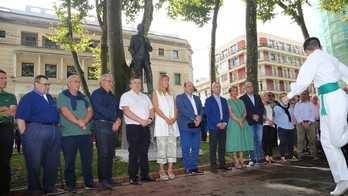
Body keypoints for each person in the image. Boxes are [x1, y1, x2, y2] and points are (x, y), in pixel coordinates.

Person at [282, 37, 348, 196]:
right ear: (320, 46)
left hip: (333, 98)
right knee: (326, 141)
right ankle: (343, 179)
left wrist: (289, 95)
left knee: (338, 140)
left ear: (307, 51)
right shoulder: (331, 58)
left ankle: (343, 178)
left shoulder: (314, 58)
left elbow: (303, 80)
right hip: (328, 101)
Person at [16, 75, 63, 195]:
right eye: (45, 84)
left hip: (53, 131)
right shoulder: (28, 98)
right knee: (34, 162)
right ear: (36, 84)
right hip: (36, 130)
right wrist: (25, 136)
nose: (47, 87)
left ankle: (49, 187)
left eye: (48, 84)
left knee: (52, 162)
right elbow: (20, 118)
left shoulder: (49, 98)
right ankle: (34, 189)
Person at [57, 75, 97, 193]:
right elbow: (64, 111)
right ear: (69, 83)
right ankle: (71, 185)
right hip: (69, 134)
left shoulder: (84, 97)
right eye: (75, 82)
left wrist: (84, 121)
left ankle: (89, 183)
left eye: (79, 82)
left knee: (87, 160)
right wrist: (78, 122)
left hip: (85, 133)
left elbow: (91, 111)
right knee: (69, 161)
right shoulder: (62, 96)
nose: (78, 84)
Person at [120, 77, 155, 185]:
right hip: (133, 127)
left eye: (139, 83)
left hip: (145, 128)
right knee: (134, 152)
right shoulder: (126, 96)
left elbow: (151, 110)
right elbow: (126, 111)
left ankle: (144, 175)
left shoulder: (145, 97)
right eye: (135, 83)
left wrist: (149, 119)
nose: (137, 84)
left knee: (144, 152)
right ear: (130, 85)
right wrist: (141, 121)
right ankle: (132, 176)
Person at [90, 74, 122, 189]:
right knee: (103, 153)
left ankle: (109, 178)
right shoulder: (96, 94)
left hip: (113, 126)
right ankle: (102, 180)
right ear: (101, 82)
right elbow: (100, 109)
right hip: (101, 125)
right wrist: (115, 119)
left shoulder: (112, 96)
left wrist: (118, 120)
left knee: (110, 153)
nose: (110, 83)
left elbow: (118, 109)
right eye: (108, 81)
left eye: (111, 81)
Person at [152, 75, 180, 181]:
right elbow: (156, 108)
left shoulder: (171, 93)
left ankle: (170, 169)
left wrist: (173, 118)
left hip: (172, 124)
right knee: (162, 147)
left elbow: (174, 107)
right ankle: (162, 170)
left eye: (168, 80)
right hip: (162, 124)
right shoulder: (156, 93)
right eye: (165, 80)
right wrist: (166, 119)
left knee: (172, 146)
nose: (167, 82)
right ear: (161, 81)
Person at [176, 81, 204, 175]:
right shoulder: (180, 97)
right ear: (184, 88)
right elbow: (182, 110)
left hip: (197, 126)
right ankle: (188, 167)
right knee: (186, 148)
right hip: (185, 127)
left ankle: (194, 167)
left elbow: (201, 109)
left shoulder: (197, 98)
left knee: (196, 147)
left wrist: (199, 117)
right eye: (188, 86)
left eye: (192, 86)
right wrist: (195, 117)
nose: (191, 87)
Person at [204, 82, 231, 173]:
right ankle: (213, 166)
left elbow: (227, 113)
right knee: (213, 146)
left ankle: (223, 164)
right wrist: (217, 123)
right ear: (212, 89)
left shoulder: (224, 100)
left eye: (219, 87)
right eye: (216, 87)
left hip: (223, 125)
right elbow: (208, 114)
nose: (218, 88)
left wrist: (225, 123)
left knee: (222, 146)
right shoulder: (209, 100)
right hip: (214, 126)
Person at [226, 86, 254, 169]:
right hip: (233, 123)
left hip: (243, 122)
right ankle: (236, 161)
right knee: (235, 141)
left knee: (242, 141)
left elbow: (245, 112)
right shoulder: (228, 101)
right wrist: (239, 121)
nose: (235, 92)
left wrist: (242, 119)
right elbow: (230, 113)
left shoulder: (241, 101)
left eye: (236, 90)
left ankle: (242, 160)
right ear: (230, 92)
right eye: (233, 91)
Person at [0, 69, 17, 195]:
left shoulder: (10, 96)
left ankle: (4, 189)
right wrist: (4, 109)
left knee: (5, 161)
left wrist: (6, 109)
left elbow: (12, 112)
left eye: (5, 78)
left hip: (6, 128)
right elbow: (7, 111)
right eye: (1, 78)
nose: (5, 80)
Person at [240, 82, 265, 165]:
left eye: (251, 86)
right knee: (251, 140)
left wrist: (258, 115)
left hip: (259, 121)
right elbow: (243, 111)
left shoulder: (257, 97)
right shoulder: (242, 98)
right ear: (245, 88)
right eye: (248, 87)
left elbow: (262, 107)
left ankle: (259, 158)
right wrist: (251, 116)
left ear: (253, 87)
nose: (250, 88)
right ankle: (252, 159)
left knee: (259, 140)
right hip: (249, 122)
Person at [294, 90, 318, 161]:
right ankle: (300, 154)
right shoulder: (297, 105)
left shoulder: (310, 104)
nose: (303, 96)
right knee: (300, 139)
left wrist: (309, 122)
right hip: (301, 124)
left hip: (310, 123)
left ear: (307, 95)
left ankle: (314, 154)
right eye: (302, 94)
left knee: (312, 139)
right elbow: (296, 114)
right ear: (300, 95)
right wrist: (303, 123)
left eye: (305, 94)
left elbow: (313, 114)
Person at [128, 23, 153, 93]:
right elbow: (130, 48)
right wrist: (134, 55)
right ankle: (140, 89)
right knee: (139, 74)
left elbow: (150, 49)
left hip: (146, 59)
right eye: (141, 28)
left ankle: (150, 89)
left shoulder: (146, 39)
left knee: (149, 73)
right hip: (137, 58)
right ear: (138, 29)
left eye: (143, 28)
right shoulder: (134, 37)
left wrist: (148, 45)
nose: (143, 29)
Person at [274, 93, 297, 162]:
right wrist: (279, 124)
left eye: (285, 97)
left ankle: (291, 155)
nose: (284, 98)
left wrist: (294, 122)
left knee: (291, 142)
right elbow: (275, 118)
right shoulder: (277, 107)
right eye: (282, 97)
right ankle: (282, 156)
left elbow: (293, 115)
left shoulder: (291, 107)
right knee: (283, 142)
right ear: (280, 99)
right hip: (282, 127)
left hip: (290, 127)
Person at [262, 92, 276, 163]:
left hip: (271, 125)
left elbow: (273, 114)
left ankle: (271, 156)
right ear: (263, 97)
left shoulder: (271, 105)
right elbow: (262, 114)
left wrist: (272, 121)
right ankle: (266, 156)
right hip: (265, 124)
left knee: (270, 141)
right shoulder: (261, 105)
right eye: (266, 96)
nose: (268, 97)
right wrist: (269, 120)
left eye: (268, 96)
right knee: (265, 141)